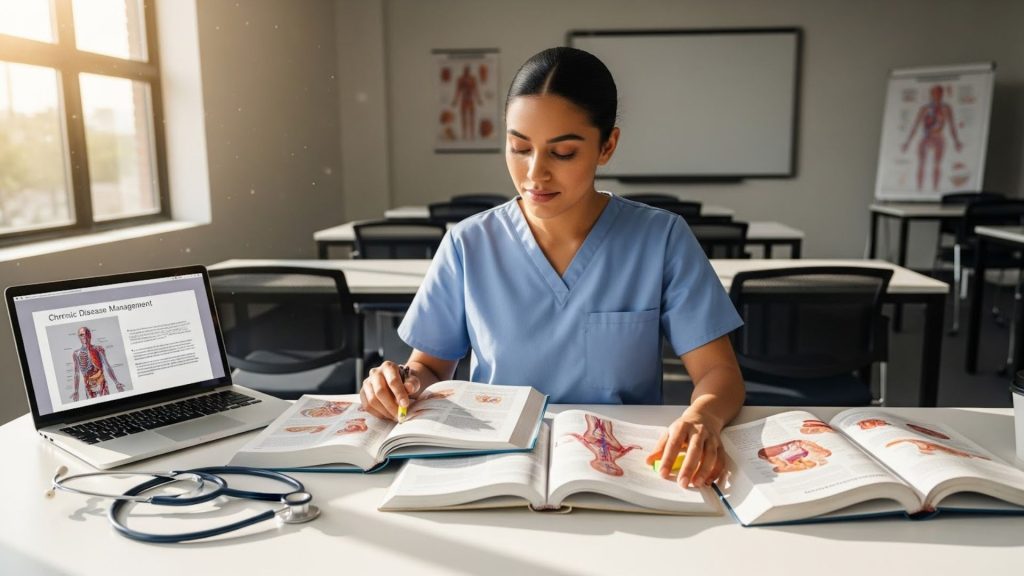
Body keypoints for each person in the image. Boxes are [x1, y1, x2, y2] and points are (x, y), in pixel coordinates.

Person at [360, 47, 745, 489]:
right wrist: (399, 383)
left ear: (608, 146)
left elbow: (720, 374)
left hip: (621, 472)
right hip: (495, 470)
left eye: (562, 153)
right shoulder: (469, 243)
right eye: (519, 147)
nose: (534, 174)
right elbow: (429, 369)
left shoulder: (661, 240)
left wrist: (702, 417)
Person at [901, 84, 962, 191]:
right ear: (931, 94)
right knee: (921, 164)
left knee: (936, 165)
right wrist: (907, 142)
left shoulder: (946, 108)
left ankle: (935, 190)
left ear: (942, 94)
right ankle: (919, 190)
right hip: (926, 136)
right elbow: (915, 125)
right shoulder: (925, 109)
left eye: (939, 93)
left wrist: (956, 141)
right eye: (934, 93)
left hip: (938, 137)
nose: (936, 95)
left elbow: (952, 125)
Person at [71, 326, 125, 401]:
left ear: (90, 335)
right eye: (81, 335)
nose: (84, 336)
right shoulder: (76, 353)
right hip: (88, 385)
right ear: (79, 337)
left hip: (101, 383)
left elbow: (107, 366)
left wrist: (116, 382)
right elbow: (76, 373)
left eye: (86, 333)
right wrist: (76, 390)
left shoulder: (98, 349)